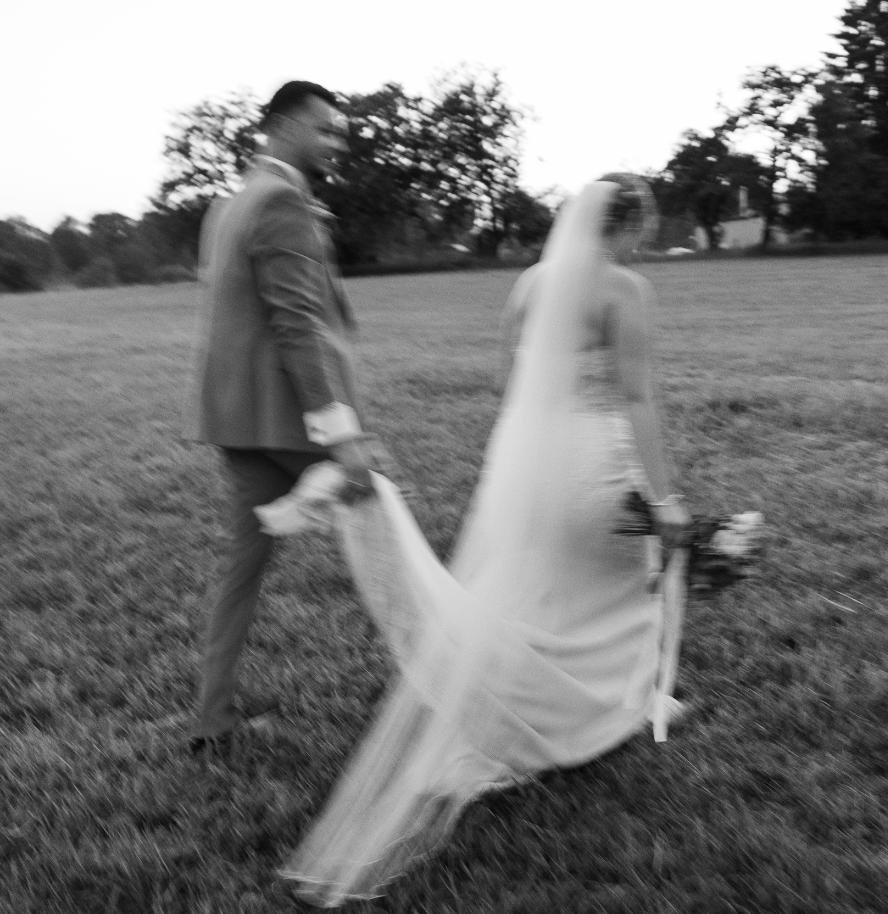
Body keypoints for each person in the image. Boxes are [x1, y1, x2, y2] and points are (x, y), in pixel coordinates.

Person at [276, 175, 692, 906]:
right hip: (595, 463)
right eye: (643, 232)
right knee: (627, 584)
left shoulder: (531, 283)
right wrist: (665, 497)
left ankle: (545, 702)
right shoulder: (626, 290)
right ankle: (599, 713)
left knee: (535, 586)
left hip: (527, 463)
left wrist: (527, 458)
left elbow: (511, 379)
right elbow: (636, 397)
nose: (643, 247)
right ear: (628, 229)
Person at [188, 80, 383, 755]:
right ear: (281, 125)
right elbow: (296, 325)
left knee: (242, 567)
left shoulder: (230, 204)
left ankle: (213, 721)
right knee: (391, 540)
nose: (335, 143)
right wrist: (342, 437)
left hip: (235, 419)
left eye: (341, 134)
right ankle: (457, 697)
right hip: (293, 423)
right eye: (325, 129)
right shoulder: (281, 202)